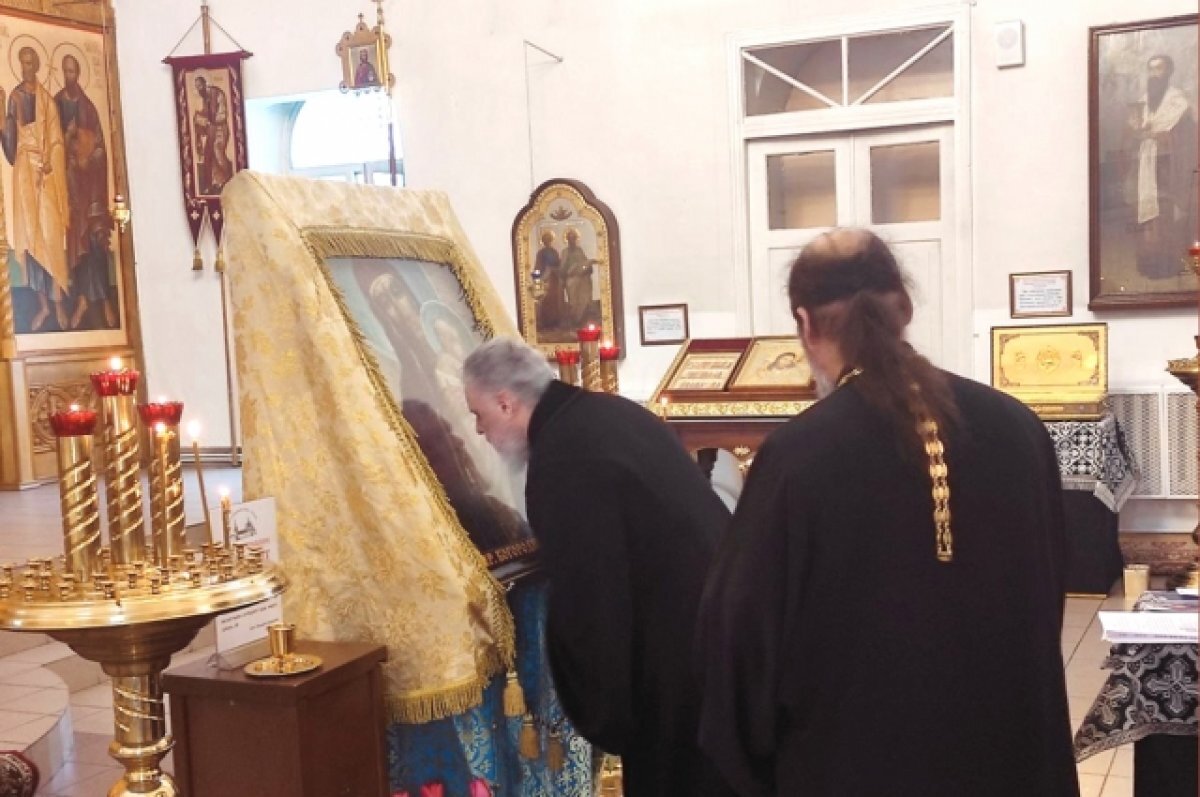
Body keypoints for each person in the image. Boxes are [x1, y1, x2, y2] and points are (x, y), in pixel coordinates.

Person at [696, 229, 1078, 797]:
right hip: (1007, 758)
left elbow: (741, 641)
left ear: (804, 323)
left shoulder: (799, 456)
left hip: (852, 766)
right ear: (905, 307)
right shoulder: (1018, 430)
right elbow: (1046, 600)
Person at [462, 337, 734, 797]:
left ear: (506, 403)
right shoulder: (609, 413)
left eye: (479, 415)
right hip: (714, 642)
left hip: (675, 670)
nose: (478, 430)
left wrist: (608, 713)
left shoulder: (563, 459)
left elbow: (593, 600)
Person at [2, 46, 69, 332]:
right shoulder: (15, 98)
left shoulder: (47, 101)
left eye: (30, 63)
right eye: (22, 63)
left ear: (37, 65)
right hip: (25, 176)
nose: (26, 68)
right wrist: (2, 117)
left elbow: (57, 140)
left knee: (51, 237)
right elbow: (10, 147)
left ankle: (58, 303)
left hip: (47, 175)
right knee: (30, 237)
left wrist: (51, 160)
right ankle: (43, 306)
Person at [56, 54, 116, 329]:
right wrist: (68, 139)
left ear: (78, 73)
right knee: (77, 245)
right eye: (65, 71)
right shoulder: (55, 103)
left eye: (72, 71)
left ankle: (100, 301)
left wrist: (88, 153)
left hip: (91, 188)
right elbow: (52, 144)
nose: (69, 76)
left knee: (95, 242)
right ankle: (83, 299)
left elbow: (101, 146)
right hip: (70, 188)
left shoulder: (89, 108)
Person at [1127, 54, 1198, 279]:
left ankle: (1172, 264)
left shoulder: (1179, 101)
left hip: (1169, 166)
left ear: (1169, 72)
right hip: (1146, 164)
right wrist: (1136, 131)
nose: (1154, 74)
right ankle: (1150, 263)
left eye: (1159, 69)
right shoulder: (1145, 100)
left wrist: (1166, 138)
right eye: (1151, 69)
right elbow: (1136, 133)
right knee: (1150, 217)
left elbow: (1189, 136)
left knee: (1168, 214)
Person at [192, 74, 232, 195]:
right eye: (197, 87)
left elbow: (222, 114)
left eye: (200, 86)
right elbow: (206, 112)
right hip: (211, 130)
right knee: (208, 156)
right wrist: (199, 116)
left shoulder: (218, 94)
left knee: (217, 152)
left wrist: (209, 120)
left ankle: (228, 181)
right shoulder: (205, 98)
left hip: (220, 130)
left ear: (205, 84)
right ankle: (214, 183)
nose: (199, 89)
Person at [561, 228, 595, 327]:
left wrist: (587, 266)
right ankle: (574, 320)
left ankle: (581, 321)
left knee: (583, 299)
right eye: (570, 238)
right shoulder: (565, 252)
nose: (572, 240)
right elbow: (563, 266)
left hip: (582, 278)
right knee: (573, 300)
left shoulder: (579, 250)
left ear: (576, 239)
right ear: (567, 239)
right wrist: (565, 275)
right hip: (571, 278)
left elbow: (584, 261)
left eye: (573, 238)